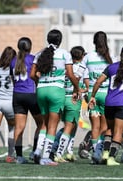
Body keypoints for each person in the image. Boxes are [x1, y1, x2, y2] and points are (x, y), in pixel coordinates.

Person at [30, 29, 80, 166]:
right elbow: (70, 75)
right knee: (52, 126)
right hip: (56, 91)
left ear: (48, 39)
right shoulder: (64, 53)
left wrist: (39, 82)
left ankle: (37, 151)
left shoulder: (40, 53)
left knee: (44, 124)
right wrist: (77, 88)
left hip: (41, 90)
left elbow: (32, 74)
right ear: (60, 40)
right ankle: (45, 157)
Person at [88, 45, 123, 166]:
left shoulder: (111, 67)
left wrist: (92, 96)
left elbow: (98, 82)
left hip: (109, 103)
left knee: (109, 129)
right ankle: (111, 158)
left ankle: (105, 154)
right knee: (118, 131)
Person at [51, 46, 89, 163]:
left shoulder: (66, 66)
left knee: (72, 126)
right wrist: (81, 90)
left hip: (62, 97)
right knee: (69, 127)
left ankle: (70, 152)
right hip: (73, 99)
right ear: (82, 56)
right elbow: (86, 85)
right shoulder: (83, 68)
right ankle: (58, 153)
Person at [81, 31, 114, 164]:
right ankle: (99, 151)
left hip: (92, 95)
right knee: (105, 127)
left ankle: (95, 152)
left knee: (94, 126)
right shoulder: (111, 57)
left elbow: (83, 75)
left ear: (94, 42)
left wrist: (82, 92)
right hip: (107, 95)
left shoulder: (88, 57)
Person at [10, 37, 43, 164]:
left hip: (17, 94)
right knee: (41, 124)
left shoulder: (13, 60)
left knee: (19, 127)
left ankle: (18, 156)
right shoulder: (33, 58)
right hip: (31, 94)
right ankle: (35, 151)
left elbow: (13, 78)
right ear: (30, 47)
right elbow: (36, 75)